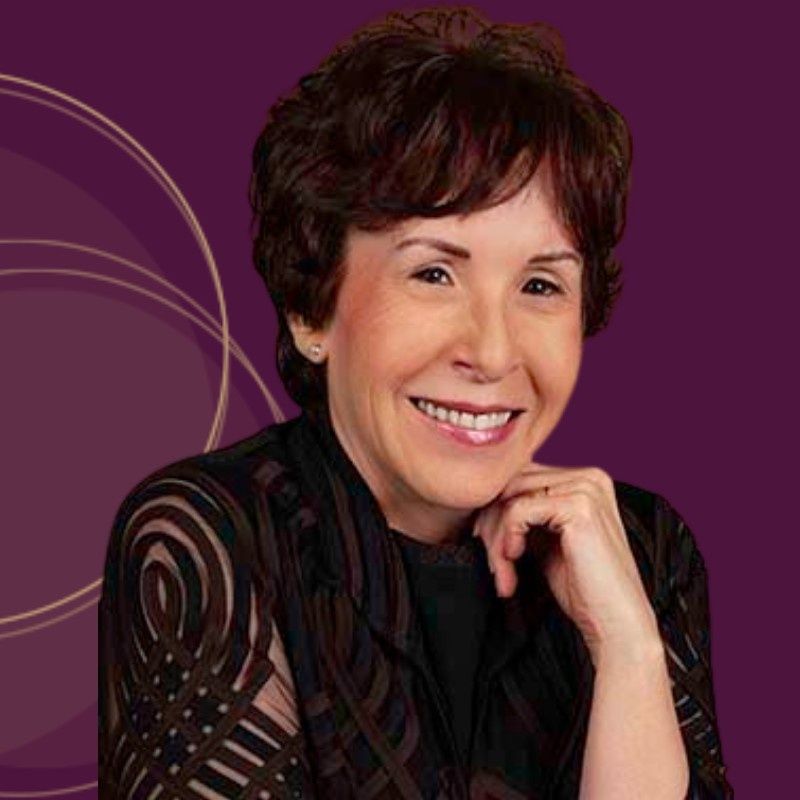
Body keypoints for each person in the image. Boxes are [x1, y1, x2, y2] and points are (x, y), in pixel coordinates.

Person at [98, 7, 733, 798]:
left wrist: (631, 654)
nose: (493, 352)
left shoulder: (640, 551)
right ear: (311, 309)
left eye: (541, 285)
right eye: (434, 273)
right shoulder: (209, 537)